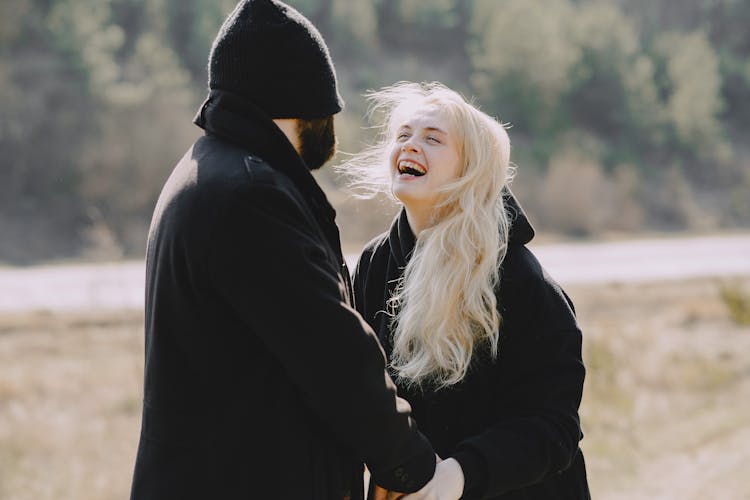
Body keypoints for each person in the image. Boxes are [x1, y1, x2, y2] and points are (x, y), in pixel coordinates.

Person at [129, 3, 438, 499]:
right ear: (305, 102)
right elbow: (332, 353)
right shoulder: (251, 197)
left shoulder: (204, 172)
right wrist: (411, 467)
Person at [342, 82, 591, 499]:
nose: (410, 145)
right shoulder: (374, 265)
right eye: (402, 135)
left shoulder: (520, 280)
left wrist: (458, 474)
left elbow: (554, 428)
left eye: (432, 138)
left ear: (470, 169)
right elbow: (361, 388)